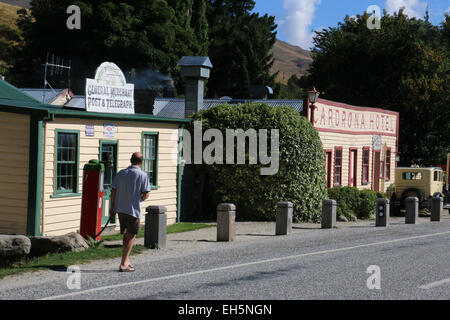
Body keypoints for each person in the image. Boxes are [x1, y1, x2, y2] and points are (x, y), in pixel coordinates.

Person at [109, 152, 151, 272]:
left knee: (126, 235)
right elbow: (146, 193)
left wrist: (112, 207)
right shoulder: (142, 175)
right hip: (133, 209)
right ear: (141, 162)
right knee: (131, 235)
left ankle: (126, 260)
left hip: (121, 209)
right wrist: (142, 198)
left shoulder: (121, 173)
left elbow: (113, 191)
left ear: (131, 160)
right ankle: (124, 263)